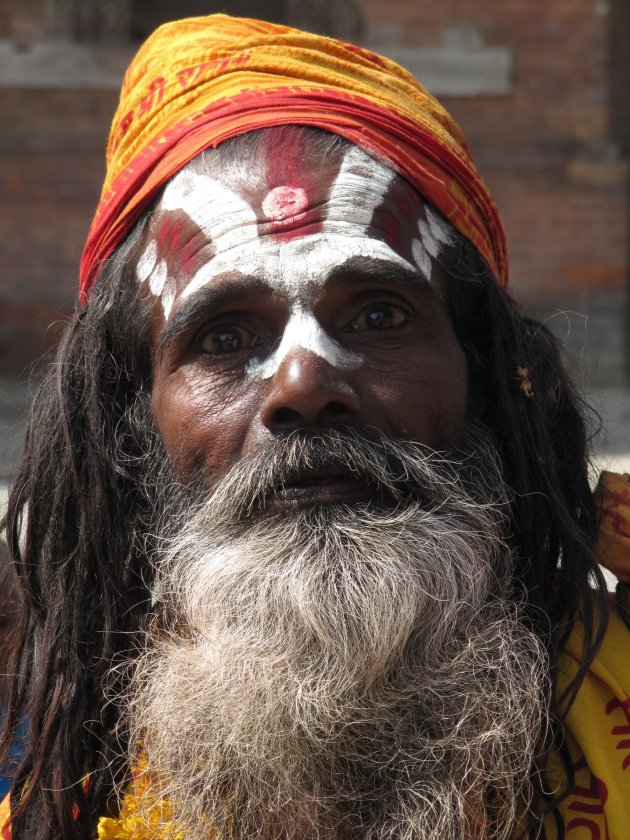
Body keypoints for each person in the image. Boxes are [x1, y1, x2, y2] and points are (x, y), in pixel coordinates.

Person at [1, 13, 629, 840]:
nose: (303, 383)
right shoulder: (51, 747)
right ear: (132, 427)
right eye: (223, 338)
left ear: (485, 379)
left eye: (377, 314)